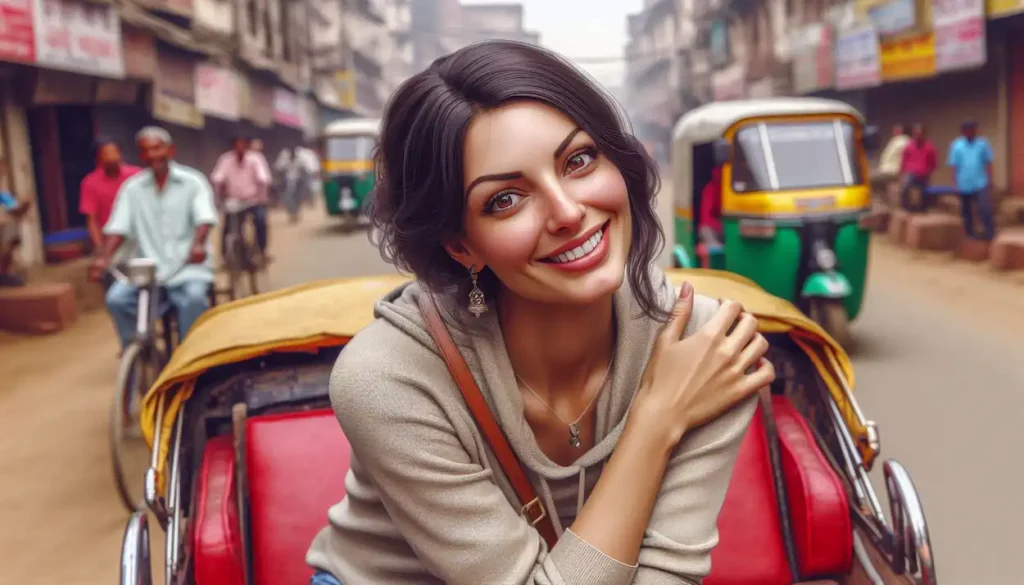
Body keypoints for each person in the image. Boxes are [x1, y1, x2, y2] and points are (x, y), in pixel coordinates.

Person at [305, 41, 772, 585]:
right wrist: (656, 421)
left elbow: (669, 573)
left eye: (578, 160)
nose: (569, 212)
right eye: (505, 199)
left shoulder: (703, 343)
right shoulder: (387, 378)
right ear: (461, 247)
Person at [88, 126, 218, 350]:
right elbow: (117, 227)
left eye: (157, 148)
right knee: (116, 300)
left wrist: (197, 244)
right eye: (146, 151)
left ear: (171, 150)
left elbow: (204, 218)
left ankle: (190, 355)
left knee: (194, 299)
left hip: (185, 266)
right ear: (141, 155)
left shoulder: (193, 182)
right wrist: (103, 257)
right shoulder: (132, 189)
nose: (152, 155)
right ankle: (138, 352)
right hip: (147, 269)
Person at [210, 136, 272, 264]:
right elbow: (217, 177)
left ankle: (262, 250)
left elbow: (264, 178)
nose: (240, 148)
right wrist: (219, 193)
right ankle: (225, 256)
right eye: (237, 145)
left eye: (243, 145)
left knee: (260, 221)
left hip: (253, 200)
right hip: (234, 201)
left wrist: (262, 197)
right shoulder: (225, 159)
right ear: (233, 146)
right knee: (228, 225)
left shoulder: (256, 159)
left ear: (247, 146)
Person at [79, 138, 142, 254]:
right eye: (106, 154)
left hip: (139, 237)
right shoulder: (90, 183)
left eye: (114, 152)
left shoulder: (137, 175)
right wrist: (99, 248)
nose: (111, 157)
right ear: (98, 158)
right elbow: (92, 219)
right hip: (110, 241)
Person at [948, 121, 996, 241]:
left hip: (980, 182)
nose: (970, 132)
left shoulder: (982, 144)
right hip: (964, 183)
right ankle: (970, 234)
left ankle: (989, 234)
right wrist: (955, 184)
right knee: (966, 211)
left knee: (984, 209)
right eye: (967, 130)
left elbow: (988, 162)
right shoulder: (957, 145)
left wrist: (990, 179)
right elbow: (954, 165)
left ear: (975, 130)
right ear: (963, 132)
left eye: (972, 129)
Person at [0, 160, 31, 287]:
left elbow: (16, 211)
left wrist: (25, 206)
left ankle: (4, 272)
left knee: (11, 226)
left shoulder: (3, 194)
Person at [900, 122, 937, 212]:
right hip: (911, 172)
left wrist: (928, 171)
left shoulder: (929, 147)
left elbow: (933, 162)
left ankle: (922, 209)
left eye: (920, 133)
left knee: (924, 192)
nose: (918, 135)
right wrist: (902, 171)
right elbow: (904, 159)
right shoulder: (909, 146)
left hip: (923, 173)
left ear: (924, 134)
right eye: (916, 133)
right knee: (905, 188)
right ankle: (906, 208)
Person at [875, 124, 909, 205]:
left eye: (896, 129)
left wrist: (902, 171)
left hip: (893, 170)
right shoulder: (895, 140)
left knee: (872, 179)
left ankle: (885, 201)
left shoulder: (903, 141)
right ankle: (885, 199)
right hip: (886, 168)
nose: (894, 131)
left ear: (901, 131)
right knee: (878, 180)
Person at [698, 165, 723, 247]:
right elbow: (705, 218)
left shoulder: (726, 191)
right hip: (708, 227)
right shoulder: (709, 190)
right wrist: (720, 225)